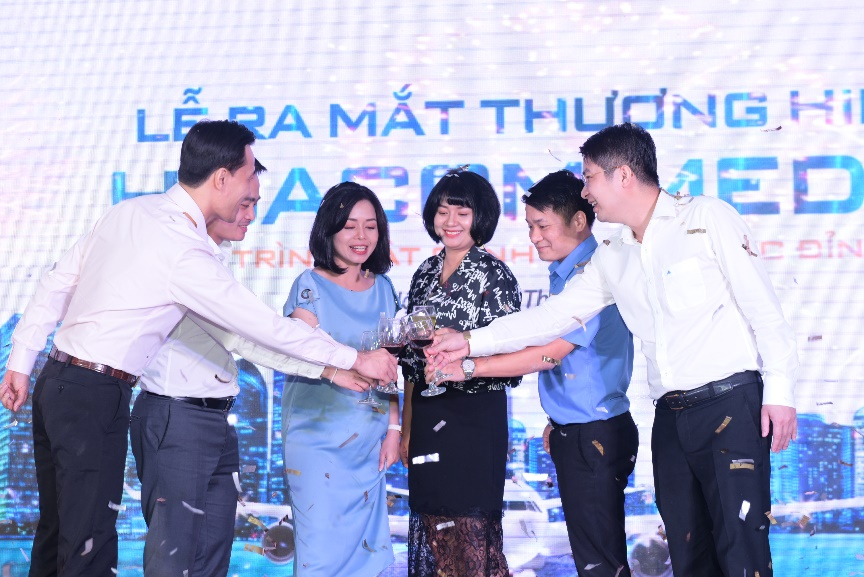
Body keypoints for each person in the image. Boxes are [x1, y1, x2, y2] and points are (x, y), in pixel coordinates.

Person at [0, 120, 395, 577]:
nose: (253, 196)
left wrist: (21, 362)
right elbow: (258, 327)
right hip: (98, 394)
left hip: (60, 382)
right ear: (222, 178)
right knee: (88, 545)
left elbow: (57, 282)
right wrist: (352, 358)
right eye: (249, 180)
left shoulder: (131, 211)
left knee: (59, 535)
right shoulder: (184, 250)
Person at [428, 123, 798, 577]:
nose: (585, 192)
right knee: (688, 555)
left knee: (742, 552)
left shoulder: (705, 219)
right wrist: (469, 340)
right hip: (671, 418)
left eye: (589, 178)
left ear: (622, 175)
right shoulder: (613, 253)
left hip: (731, 404)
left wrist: (780, 391)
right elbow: (554, 317)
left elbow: (764, 309)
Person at [128, 161, 373, 576]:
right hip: (177, 416)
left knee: (212, 556)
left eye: (256, 204)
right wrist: (343, 363)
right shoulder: (184, 257)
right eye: (245, 203)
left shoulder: (213, 258)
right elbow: (251, 337)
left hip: (214, 419)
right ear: (217, 188)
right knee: (173, 558)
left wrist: (334, 370)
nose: (251, 215)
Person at [428, 169, 636, 577]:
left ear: (579, 220)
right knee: (594, 557)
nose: (534, 237)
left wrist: (468, 364)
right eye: (529, 227)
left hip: (595, 433)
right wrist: (557, 420)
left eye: (542, 226)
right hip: (580, 430)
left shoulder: (591, 275)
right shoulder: (565, 273)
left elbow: (548, 355)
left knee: (600, 562)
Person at [399, 167, 521, 577]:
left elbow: (512, 361)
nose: (450, 221)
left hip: (474, 422)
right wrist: (407, 428)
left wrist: (464, 364)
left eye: (462, 213)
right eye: (443, 211)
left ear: (480, 217)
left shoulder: (495, 275)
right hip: (427, 417)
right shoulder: (423, 273)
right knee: (439, 542)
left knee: (474, 541)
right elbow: (411, 364)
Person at [280, 181, 401, 576]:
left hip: (369, 443)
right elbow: (297, 351)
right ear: (329, 229)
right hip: (317, 441)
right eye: (349, 226)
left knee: (366, 557)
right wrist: (344, 367)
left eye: (370, 226)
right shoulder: (310, 286)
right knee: (320, 555)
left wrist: (394, 429)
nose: (361, 236)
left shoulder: (385, 289)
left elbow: (390, 366)